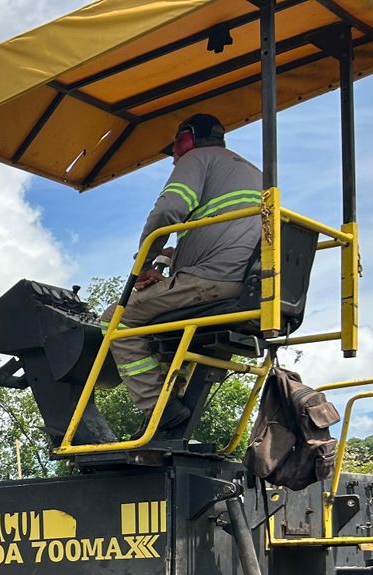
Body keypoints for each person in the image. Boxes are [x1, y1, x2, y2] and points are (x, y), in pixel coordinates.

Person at [104, 113, 263, 426]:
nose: (173, 159)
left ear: (185, 140)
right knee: (161, 332)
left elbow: (168, 211)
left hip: (214, 279)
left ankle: (157, 409)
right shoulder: (252, 171)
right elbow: (231, 234)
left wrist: (145, 262)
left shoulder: (196, 159)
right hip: (253, 284)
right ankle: (174, 393)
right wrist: (171, 256)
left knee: (117, 319)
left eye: (174, 150)